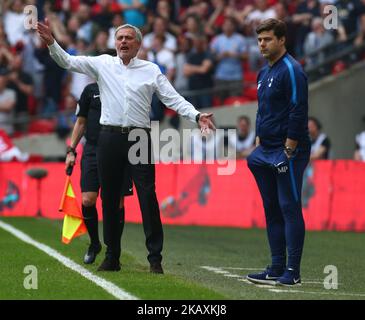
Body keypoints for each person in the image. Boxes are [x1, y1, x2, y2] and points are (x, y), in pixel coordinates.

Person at [37, 21, 215, 273]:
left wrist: (196, 115)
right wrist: (51, 42)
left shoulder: (151, 70)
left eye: (128, 38)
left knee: (147, 196)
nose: (123, 41)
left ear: (138, 44)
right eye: (119, 37)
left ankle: (155, 258)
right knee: (109, 199)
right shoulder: (102, 64)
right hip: (109, 137)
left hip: (139, 137)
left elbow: (172, 98)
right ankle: (112, 256)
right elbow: (67, 61)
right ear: (114, 42)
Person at [246, 19, 310, 286]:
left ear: (282, 40)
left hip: (287, 150)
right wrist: (259, 140)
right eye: (260, 40)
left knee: (289, 207)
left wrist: (289, 150)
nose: (263, 44)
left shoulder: (292, 70)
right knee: (271, 208)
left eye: (268, 39)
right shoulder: (264, 73)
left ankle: (292, 271)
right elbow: (263, 110)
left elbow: (297, 110)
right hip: (266, 149)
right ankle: (275, 266)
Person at [65, 83, 133, 265]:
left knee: (116, 201)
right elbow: (81, 121)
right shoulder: (90, 90)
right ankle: (95, 243)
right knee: (87, 199)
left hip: (118, 148)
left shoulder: (125, 86)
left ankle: (113, 251)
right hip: (92, 150)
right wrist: (71, 150)